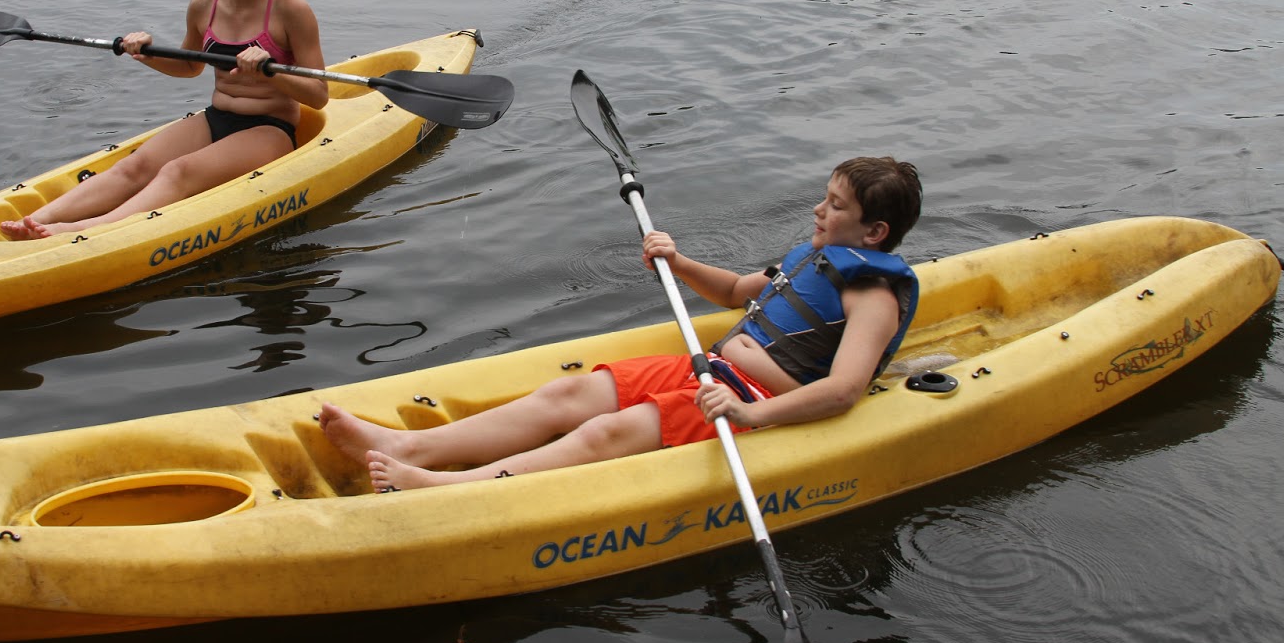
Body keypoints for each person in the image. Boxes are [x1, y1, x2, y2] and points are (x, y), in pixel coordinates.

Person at [320, 156, 923, 490]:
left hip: (752, 399)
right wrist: (677, 261)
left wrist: (750, 416)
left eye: (835, 205)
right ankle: (410, 446)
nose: (818, 209)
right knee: (568, 394)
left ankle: (455, 487)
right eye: (824, 197)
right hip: (712, 367)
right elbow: (736, 293)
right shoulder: (814, 257)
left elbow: (843, 391)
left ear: (874, 233)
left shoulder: (873, 297)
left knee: (604, 433)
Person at [0, 0, 328, 240]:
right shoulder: (204, 4)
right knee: (134, 166)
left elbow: (319, 96)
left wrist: (270, 72)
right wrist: (144, 53)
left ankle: (80, 231)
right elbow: (189, 67)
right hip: (216, 118)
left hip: (270, 129)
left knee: (178, 170)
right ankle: (34, 220)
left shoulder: (292, 9)